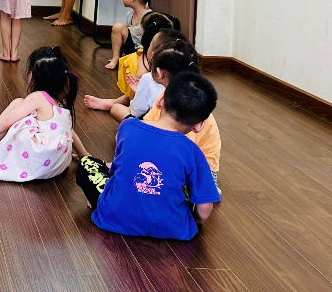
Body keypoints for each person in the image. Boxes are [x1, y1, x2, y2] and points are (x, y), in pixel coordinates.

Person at [75, 72, 221, 241]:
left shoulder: (127, 127)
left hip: (115, 217)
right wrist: (194, 220)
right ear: (199, 125)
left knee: (86, 163)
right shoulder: (193, 151)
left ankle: (98, 201)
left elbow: (118, 168)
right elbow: (204, 207)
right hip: (173, 227)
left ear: (160, 101)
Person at [0, 47, 89, 182]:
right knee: (29, 116)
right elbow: (69, 131)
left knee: (18, 103)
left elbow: (6, 121)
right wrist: (83, 154)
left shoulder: (38, 97)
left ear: (31, 75)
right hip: (56, 164)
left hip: (37, 159)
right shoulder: (62, 102)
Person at [140, 32, 222, 183]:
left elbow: (182, 149)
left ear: (159, 73)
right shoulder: (168, 96)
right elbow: (149, 126)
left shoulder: (187, 105)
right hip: (181, 159)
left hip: (197, 166)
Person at [83, 14, 175, 122]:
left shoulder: (144, 68)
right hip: (175, 122)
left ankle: (114, 104)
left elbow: (135, 109)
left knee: (116, 109)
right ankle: (114, 102)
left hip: (150, 121)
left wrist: (136, 92)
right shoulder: (179, 65)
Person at [106, 0, 154, 71]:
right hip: (132, 48)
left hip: (143, 53)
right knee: (118, 27)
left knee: (118, 26)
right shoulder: (130, 14)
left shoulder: (149, 16)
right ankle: (116, 58)